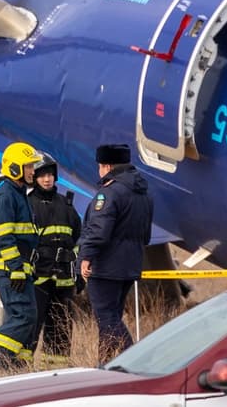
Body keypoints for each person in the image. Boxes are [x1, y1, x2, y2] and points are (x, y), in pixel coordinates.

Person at [77, 144, 153, 366]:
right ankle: (108, 365)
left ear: (107, 166)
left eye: (100, 167)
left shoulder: (109, 193)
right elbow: (146, 235)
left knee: (107, 317)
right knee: (112, 318)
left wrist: (86, 257)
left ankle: (136, 361)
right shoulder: (143, 193)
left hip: (106, 266)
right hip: (130, 265)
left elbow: (98, 231)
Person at [0, 142, 42, 370]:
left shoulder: (20, 194)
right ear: (15, 168)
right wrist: (16, 267)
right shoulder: (5, 195)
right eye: (28, 166)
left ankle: (19, 367)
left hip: (20, 269)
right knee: (23, 316)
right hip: (9, 270)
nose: (33, 171)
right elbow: (4, 236)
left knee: (30, 317)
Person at [27, 151, 81, 364]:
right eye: (42, 175)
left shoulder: (66, 206)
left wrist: (78, 274)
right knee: (32, 326)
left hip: (63, 281)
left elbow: (78, 239)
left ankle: (55, 371)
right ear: (35, 177)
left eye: (50, 174)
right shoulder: (27, 204)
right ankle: (20, 370)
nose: (47, 179)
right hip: (37, 279)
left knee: (61, 328)